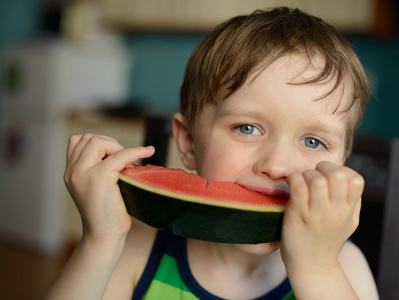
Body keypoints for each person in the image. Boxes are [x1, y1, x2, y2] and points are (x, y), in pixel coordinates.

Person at [44, 7, 379, 300]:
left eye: (312, 142)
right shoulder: (142, 247)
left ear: (342, 162)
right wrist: (100, 241)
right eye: (247, 128)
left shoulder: (344, 267)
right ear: (189, 143)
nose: (277, 166)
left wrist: (316, 270)